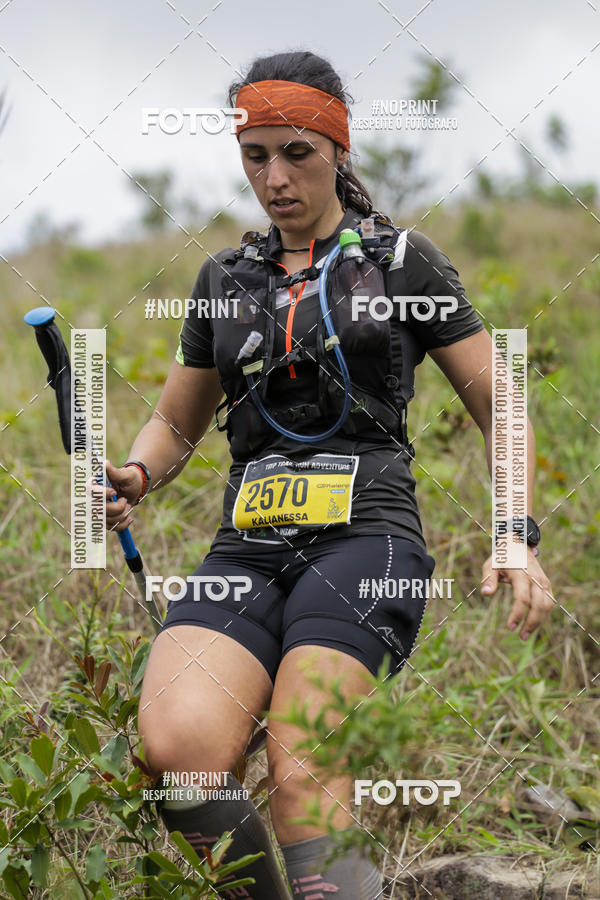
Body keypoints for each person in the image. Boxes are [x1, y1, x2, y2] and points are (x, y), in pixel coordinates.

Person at [104, 51, 554, 900]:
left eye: (296, 153)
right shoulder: (222, 280)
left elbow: (504, 402)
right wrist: (134, 472)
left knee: (305, 767)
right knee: (177, 759)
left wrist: (514, 533)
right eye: (255, 155)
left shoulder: (402, 263)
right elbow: (174, 421)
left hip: (365, 542)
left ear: (339, 149)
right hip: (247, 550)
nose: (274, 178)